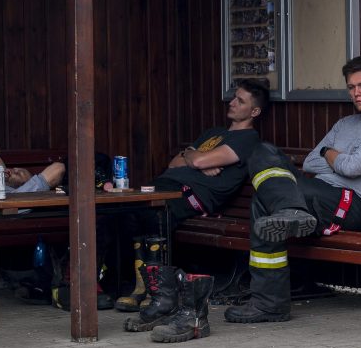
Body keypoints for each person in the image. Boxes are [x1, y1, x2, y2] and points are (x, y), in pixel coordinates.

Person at [223, 55, 361, 324]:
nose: (356, 93)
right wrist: (337, 159)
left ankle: (270, 302)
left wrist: (329, 153)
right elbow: (311, 160)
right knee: (262, 152)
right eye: (351, 87)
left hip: (351, 204)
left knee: (266, 199)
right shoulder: (344, 124)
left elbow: (353, 167)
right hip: (319, 194)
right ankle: (289, 217)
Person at [115, 79, 268, 314]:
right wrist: (194, 157)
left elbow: (195, 160)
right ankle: (130, 287)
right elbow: (176, 162)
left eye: (241, 100)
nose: (233, 102)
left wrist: (195, 159)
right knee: (122, 214)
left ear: (254, 111)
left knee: (150, 217)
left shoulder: (248, 140)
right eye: (234, 97)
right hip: (166, 185)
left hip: (191, 197)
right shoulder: (213, 133)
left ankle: (154, 291)